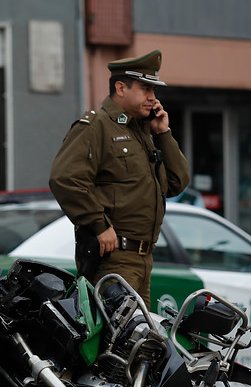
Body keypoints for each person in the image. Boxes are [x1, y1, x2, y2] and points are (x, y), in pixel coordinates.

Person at [49, 50, 190, 307]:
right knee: (116, 342)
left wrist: (163, 134)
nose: (153, 97)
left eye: (154, 90)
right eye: (146, 89)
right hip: (114, 259)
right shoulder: (96, 125)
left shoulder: (144, 131)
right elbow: (65, 178)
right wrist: (98, 224)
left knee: (139, 344)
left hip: (143, 260)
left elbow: (177, 182)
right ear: (121, 88)